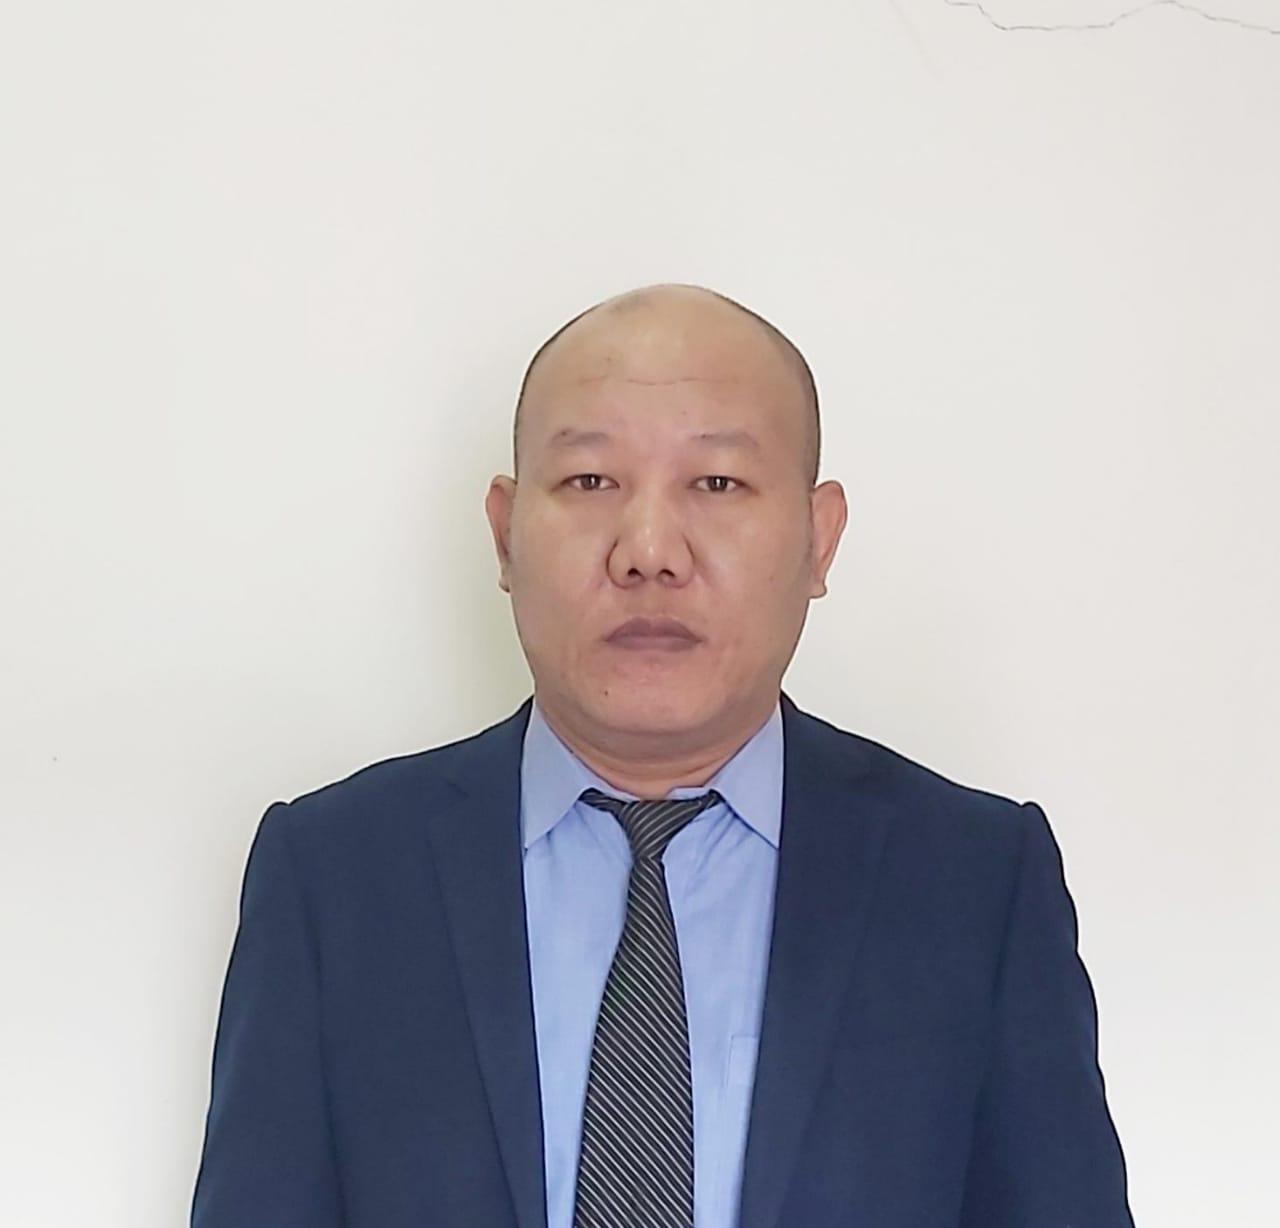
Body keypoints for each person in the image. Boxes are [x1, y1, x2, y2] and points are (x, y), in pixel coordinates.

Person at [189, 283, 1134, 1227]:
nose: (648, 551)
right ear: (505, 535)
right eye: (589, 482)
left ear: (819, 540)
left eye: (716, 484)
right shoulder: (334, 877)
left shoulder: (975, 882)